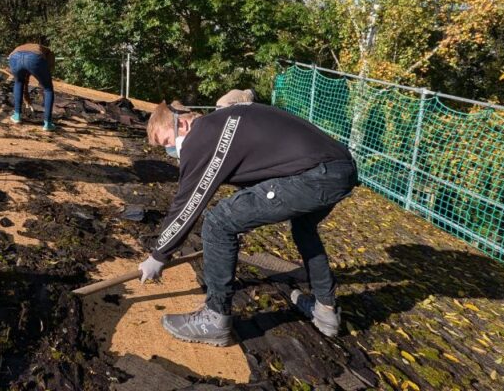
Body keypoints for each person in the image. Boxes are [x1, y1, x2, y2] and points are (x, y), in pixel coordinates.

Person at [140, 101, 358, 345]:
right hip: (338, 168)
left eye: (167, 141)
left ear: (183, 123)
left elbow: (189, 202)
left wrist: (159, 255)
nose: (169, 150)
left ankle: (214, 318)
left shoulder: (201, 135)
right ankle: (325, 311)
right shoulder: (222, 123)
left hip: (315, 175)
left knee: (218, 222)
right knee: (304, 229)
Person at [8, 42, 56, 131]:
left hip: (14, 57)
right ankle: (48, 124)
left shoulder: (22, 46)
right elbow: (49, 68)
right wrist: (43, 82)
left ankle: (17, 116)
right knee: (48, 89)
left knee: (18, 82)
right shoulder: (49, 52)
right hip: (34, 58)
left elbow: (25, 78)